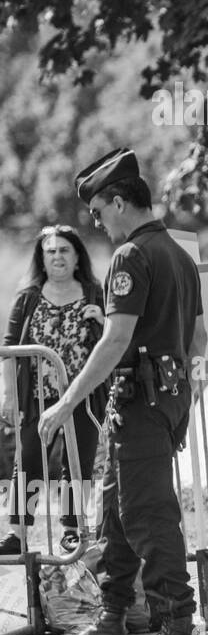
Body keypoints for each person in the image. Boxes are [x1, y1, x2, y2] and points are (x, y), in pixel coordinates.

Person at [42, 149, 207, 635]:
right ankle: (110, 622)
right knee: (115, 513)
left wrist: (65, 404)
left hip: (140, 400)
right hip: (159, 399)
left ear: (118, 203)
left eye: (96, 212)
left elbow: (115, 341)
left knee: (147, 513)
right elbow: (199, 337)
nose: (96, 223)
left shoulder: (131, 257)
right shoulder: (179, 254)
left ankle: (178, 623)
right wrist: (183, 393)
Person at [0, 225, 108, 554]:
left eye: (64, 250)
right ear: (42, 259)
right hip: (37, 398)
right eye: (51, 251)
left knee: (79, 463)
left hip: (84, 395)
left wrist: (103, 321)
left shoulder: (94, 292)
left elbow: (116, 339)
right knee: (29, 461)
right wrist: (9, 395)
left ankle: (72, 530)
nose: (57, 256)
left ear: (77, 258)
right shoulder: (28, 297)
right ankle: (17, 533)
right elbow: (8, 347)